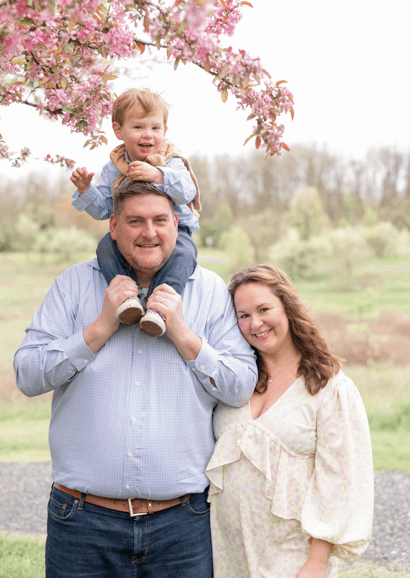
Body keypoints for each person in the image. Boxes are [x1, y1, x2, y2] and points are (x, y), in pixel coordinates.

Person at [13, 179, 258, 578]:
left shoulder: (210, 291)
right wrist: (99, 328)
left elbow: (240, 385)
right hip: (81, 522)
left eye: (160, 220)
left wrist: (183, 333)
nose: (149, 232)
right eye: (135, 221)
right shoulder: (74, 284)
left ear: (176, 223)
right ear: (112, 226)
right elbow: (27, 375)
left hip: (182, 526)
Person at [206, 264, 374, 578]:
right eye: (243, 315)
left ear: (288, 309)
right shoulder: (235, 384)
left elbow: (339, 482)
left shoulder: (329, 388)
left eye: (264, 309)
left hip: (293, 559)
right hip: (228, 555)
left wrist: (315, 565)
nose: (255, 323)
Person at [70, 87, 201, 337]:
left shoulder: (170, 159)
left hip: (175, 231)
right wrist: (86, 190)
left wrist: (158, 175)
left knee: (183, 256)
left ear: (165, 131)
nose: (148, 135)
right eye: (138, 127)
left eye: (155, 128)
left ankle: (160, 309)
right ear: (118, 130)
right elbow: (106, 209)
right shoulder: (114, 167)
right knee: (105, 248)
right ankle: (127, 297)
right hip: (130, 232)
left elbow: (187, 191)